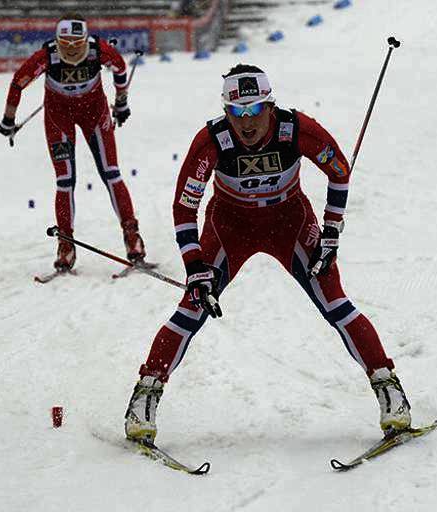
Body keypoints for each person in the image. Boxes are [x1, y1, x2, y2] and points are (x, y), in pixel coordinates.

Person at [124, 64, 412, 443]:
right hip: (230, 226)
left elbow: (339, 171)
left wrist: (331, 233)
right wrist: (195, 268)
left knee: (335, 301)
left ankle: (388, 388)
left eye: (256, 109)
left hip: (289, 221)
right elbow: (184, 207)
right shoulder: (211, 141)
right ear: (226, 111)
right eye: (237, 112)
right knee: (192, 306)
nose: (247, 121)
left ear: (270, 106)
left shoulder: (296, 129)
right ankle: (145, 396)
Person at [0, 14, 146, 271]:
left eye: (77, 46)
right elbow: (18, 82)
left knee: (111, 173)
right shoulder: (47, 56)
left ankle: (132, 236)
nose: (71, 51)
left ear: (86, 41)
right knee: (65, 180)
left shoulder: (99, 50)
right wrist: (8, 119)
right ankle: (66, 243)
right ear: (57, 42)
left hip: (95, 114)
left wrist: (121, 103)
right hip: (58, 118)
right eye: (65, 45)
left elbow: (120, 67)